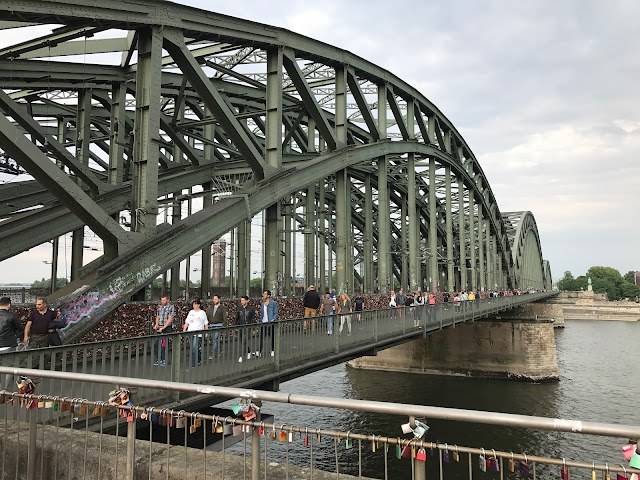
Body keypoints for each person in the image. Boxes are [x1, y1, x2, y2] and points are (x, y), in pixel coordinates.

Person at [0, 297, 24, 392]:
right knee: (9, 369)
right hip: (8, 345)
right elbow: (20, 329)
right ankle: (3, 391)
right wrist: (14, 336)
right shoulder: (12, 316)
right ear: (9, 305)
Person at [182, 298, 208, 367]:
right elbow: (187, 321)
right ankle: (199, 358)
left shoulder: (202, 313)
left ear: (199, 305)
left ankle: (193, 363)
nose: (195, 306)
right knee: (194, 347)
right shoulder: (191, 312)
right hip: (190, 331)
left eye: (196, 304)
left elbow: (206, 323)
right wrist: (184, 329)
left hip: (198, 333)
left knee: (194, 347)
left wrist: (206, 332)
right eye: (194, 304)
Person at [153, 294, 175, 366]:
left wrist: (164, 327)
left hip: (167, 328)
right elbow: (158, 317)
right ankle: (158, 358)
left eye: (164, 300)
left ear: (167, 300)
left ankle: (164, 359)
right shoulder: (160, 307)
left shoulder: (171, 307)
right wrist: (156, 324)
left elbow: (170, 318)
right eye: (162, 300)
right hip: (160, 326)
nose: (163, 301)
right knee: (156, 343)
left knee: (164, 344)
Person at [235, 296, 255, 363]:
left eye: (243, 300)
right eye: (241, 300)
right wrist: (236, 326)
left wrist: (253, 329)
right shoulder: (239, 309)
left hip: (248, 327)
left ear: (246, 301)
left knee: (244, 341)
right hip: (241, 327)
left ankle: (242, 356)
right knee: (242, 341)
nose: (242, 302)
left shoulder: (251, 309)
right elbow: (236, 318)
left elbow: (253, 319)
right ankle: (248, 351)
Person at [258, 290, 278, 357]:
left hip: (270, 323)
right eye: (263, 294)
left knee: (272, 337)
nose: (263, 295)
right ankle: (259, 351)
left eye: (265, 294)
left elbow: (275, 313)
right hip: (263, 323)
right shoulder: (262, 303)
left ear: (268, 295)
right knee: (261, 338)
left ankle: (272, 350)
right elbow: (262, 313)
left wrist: (273, 319)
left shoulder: (273, 303)